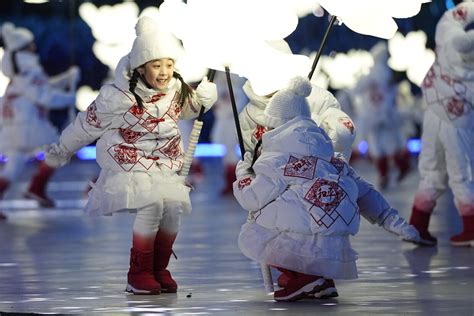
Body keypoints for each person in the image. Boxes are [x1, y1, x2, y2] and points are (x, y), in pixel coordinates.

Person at [44, 16, 218, 294]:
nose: (164, 72)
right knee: (152, 205)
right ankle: (137, 273)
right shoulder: (116, 97)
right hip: (129, 163)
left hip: (163, 163)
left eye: (169, 65)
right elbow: (85, 125)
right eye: (156, 65)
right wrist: (61, 149)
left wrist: (203, 101)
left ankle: (159, 269)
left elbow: (187, 111)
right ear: (140, 67)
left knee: (172, 210)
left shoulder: (174, 91)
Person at [233, 76, 420, 302]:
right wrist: (396, 223)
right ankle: (317, 279)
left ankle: (303, 276)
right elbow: (366, 194)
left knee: (255, 227)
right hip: (335, 248)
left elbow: (251, 198)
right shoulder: (331, 157)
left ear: (277, 124)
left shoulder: (280, 160)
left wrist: (243, 173)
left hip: (307, 245)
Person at [408, 1, 474, 247]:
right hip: (458, 121)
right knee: (464, 171)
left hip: (433, 112)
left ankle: (418, 223)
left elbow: (450, 19)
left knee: (431, 169)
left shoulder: (445, 45)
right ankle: (471, 225)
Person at [0, 22, 79, 220]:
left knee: (14, 167)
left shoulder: (21, 73)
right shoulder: (30, 71)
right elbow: (45, 97)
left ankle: (35, 188)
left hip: (13, 128)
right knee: (59, 150)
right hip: (29, 126)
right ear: (25, 48)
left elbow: (41, 87)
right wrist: (69, 98)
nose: (34, 46)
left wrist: (65, 78)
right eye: (31, 44)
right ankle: (37, 187)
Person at [352, 41, 411, 190]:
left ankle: (386, 174)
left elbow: (356, 90)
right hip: (383, 117)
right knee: (388, 146)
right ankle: (395, 170)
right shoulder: (386, 73)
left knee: (379, 147)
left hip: (376, 117)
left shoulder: (373, 74)